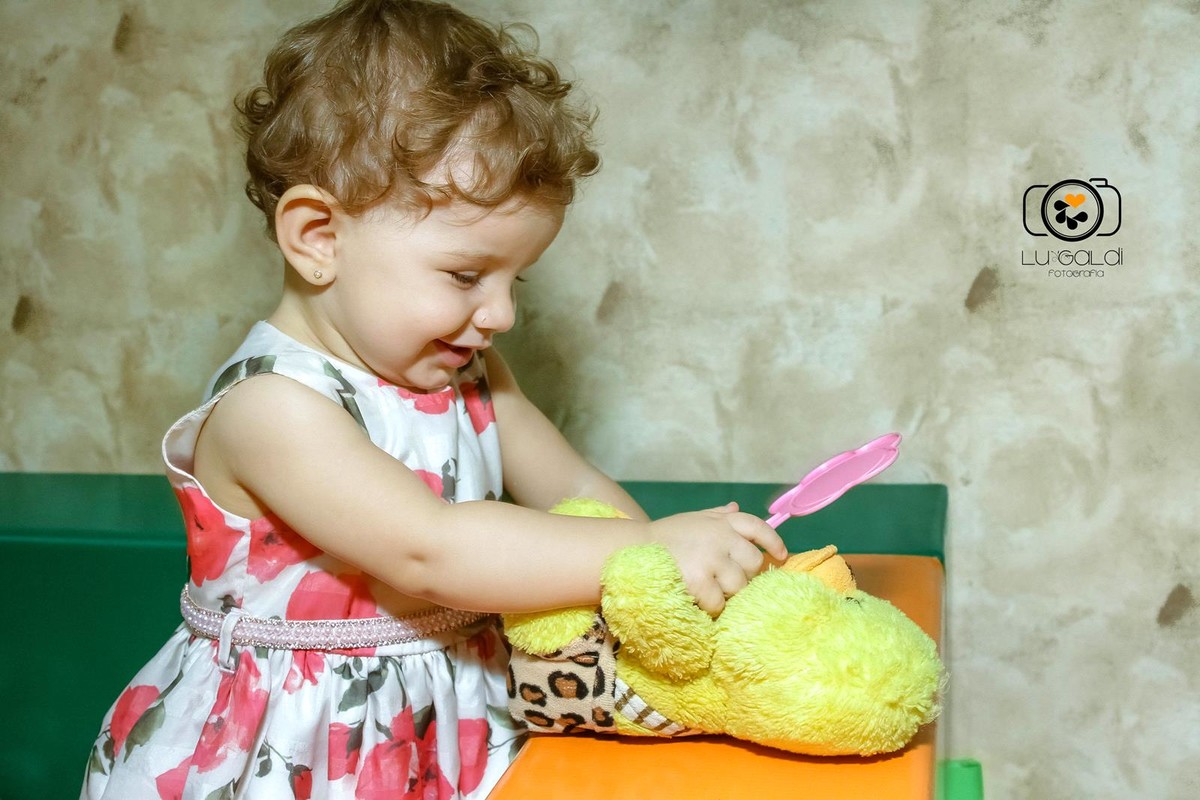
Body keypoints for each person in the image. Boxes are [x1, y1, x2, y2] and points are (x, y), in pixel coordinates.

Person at [81, 1, 787, 797]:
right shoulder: (271, 409)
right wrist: (655, 549)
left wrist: (673, 585)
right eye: (464, 275)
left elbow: (576, 491)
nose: (502, 315)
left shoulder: (470, 373)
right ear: (318, 236)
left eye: (512, 279)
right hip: (299, 750)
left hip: (462, 721)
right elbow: (432, 549)